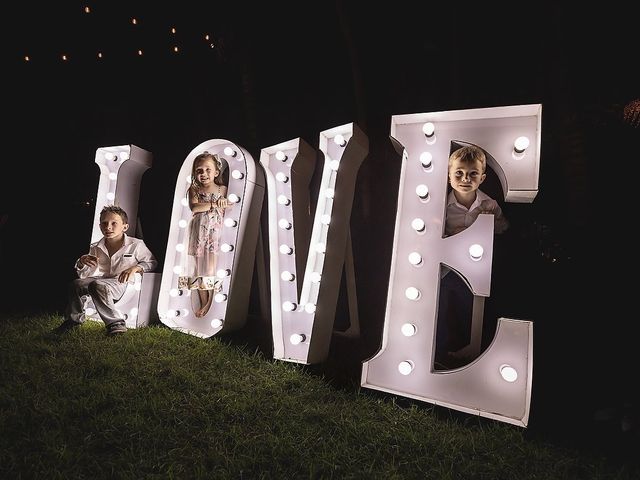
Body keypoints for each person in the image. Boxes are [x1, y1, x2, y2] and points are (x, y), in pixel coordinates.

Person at [435, 144, 509, 369]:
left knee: (470, 310)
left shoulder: (489, 204)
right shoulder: (440, 205)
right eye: (458, 173)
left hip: (474, 270)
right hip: (446, 269)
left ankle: (465, 350)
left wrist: (492, 222)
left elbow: (504, 228)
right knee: (441, 306)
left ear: (482, 177)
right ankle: (439, 349)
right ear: (449, 176)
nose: (465, 178)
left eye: (472, 173)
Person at [55, 205, 158, 336]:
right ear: (100, 226)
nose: (108, 227)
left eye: (114, 223)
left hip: (123, 283)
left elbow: (151, 263)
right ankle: (73, 321)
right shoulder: (96, 247)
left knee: (97, 285)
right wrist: (81, 262)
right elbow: (86, 275)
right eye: (104, 223)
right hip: (103, 280)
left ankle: (116, 324)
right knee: (76, 284)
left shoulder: (136, 244)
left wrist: (135, 268)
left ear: (125, 227)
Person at [184, 152, 229, 318]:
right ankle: (203, 302)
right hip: (198, 231)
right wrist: (215, 204)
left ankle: (211, 302)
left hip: (214, 232)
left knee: (210, 268)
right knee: (197, 268)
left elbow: (226, 206)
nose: (203, 174)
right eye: (199, 170)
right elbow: (195, 208)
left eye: (208, 170)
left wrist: (221, 203)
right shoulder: (194, 189)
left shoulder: (221, 189)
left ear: (216, 172)